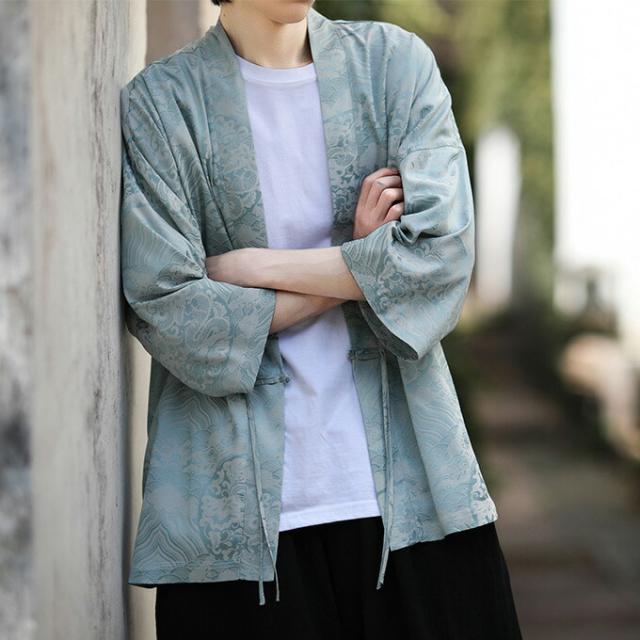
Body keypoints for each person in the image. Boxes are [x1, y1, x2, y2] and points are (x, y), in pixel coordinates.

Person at [119, 1, 523, 638]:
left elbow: (439, 260)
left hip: (412, 502)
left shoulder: (393, 67)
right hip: (231, 527)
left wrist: (254, 265)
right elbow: (173, 312)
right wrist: (361, 262)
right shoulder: (162, 104)